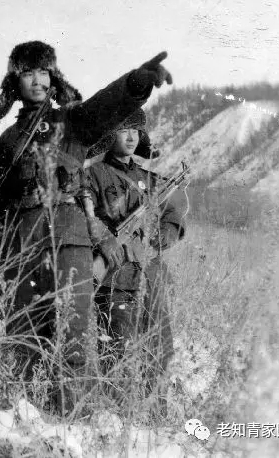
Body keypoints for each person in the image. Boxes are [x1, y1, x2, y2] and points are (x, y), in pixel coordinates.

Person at [0, 40, 173, 414]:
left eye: (44, 71)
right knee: (23, 332)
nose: (37, 81)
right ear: (14, 81)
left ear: (54, 77)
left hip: (69, 238)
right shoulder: (8, 139)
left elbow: (106, 105)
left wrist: (136, 83)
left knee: (73, 332)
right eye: (28, 73)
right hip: (22, 243)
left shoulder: (72, 121)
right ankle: (28, 417)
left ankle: (74, 417)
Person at [85, 108, 187, 415]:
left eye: (135, 131)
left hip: (149, 277)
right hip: (115, 278)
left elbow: (173, 212)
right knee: (119, 349)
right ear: (110, 134)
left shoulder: (149, 179)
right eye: (123, 130)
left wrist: (166, 234)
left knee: (161, 347)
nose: (130, 137)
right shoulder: (93, 175)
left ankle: (155, 414)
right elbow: (83, 213)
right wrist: (104, 237)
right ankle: (117, 418)